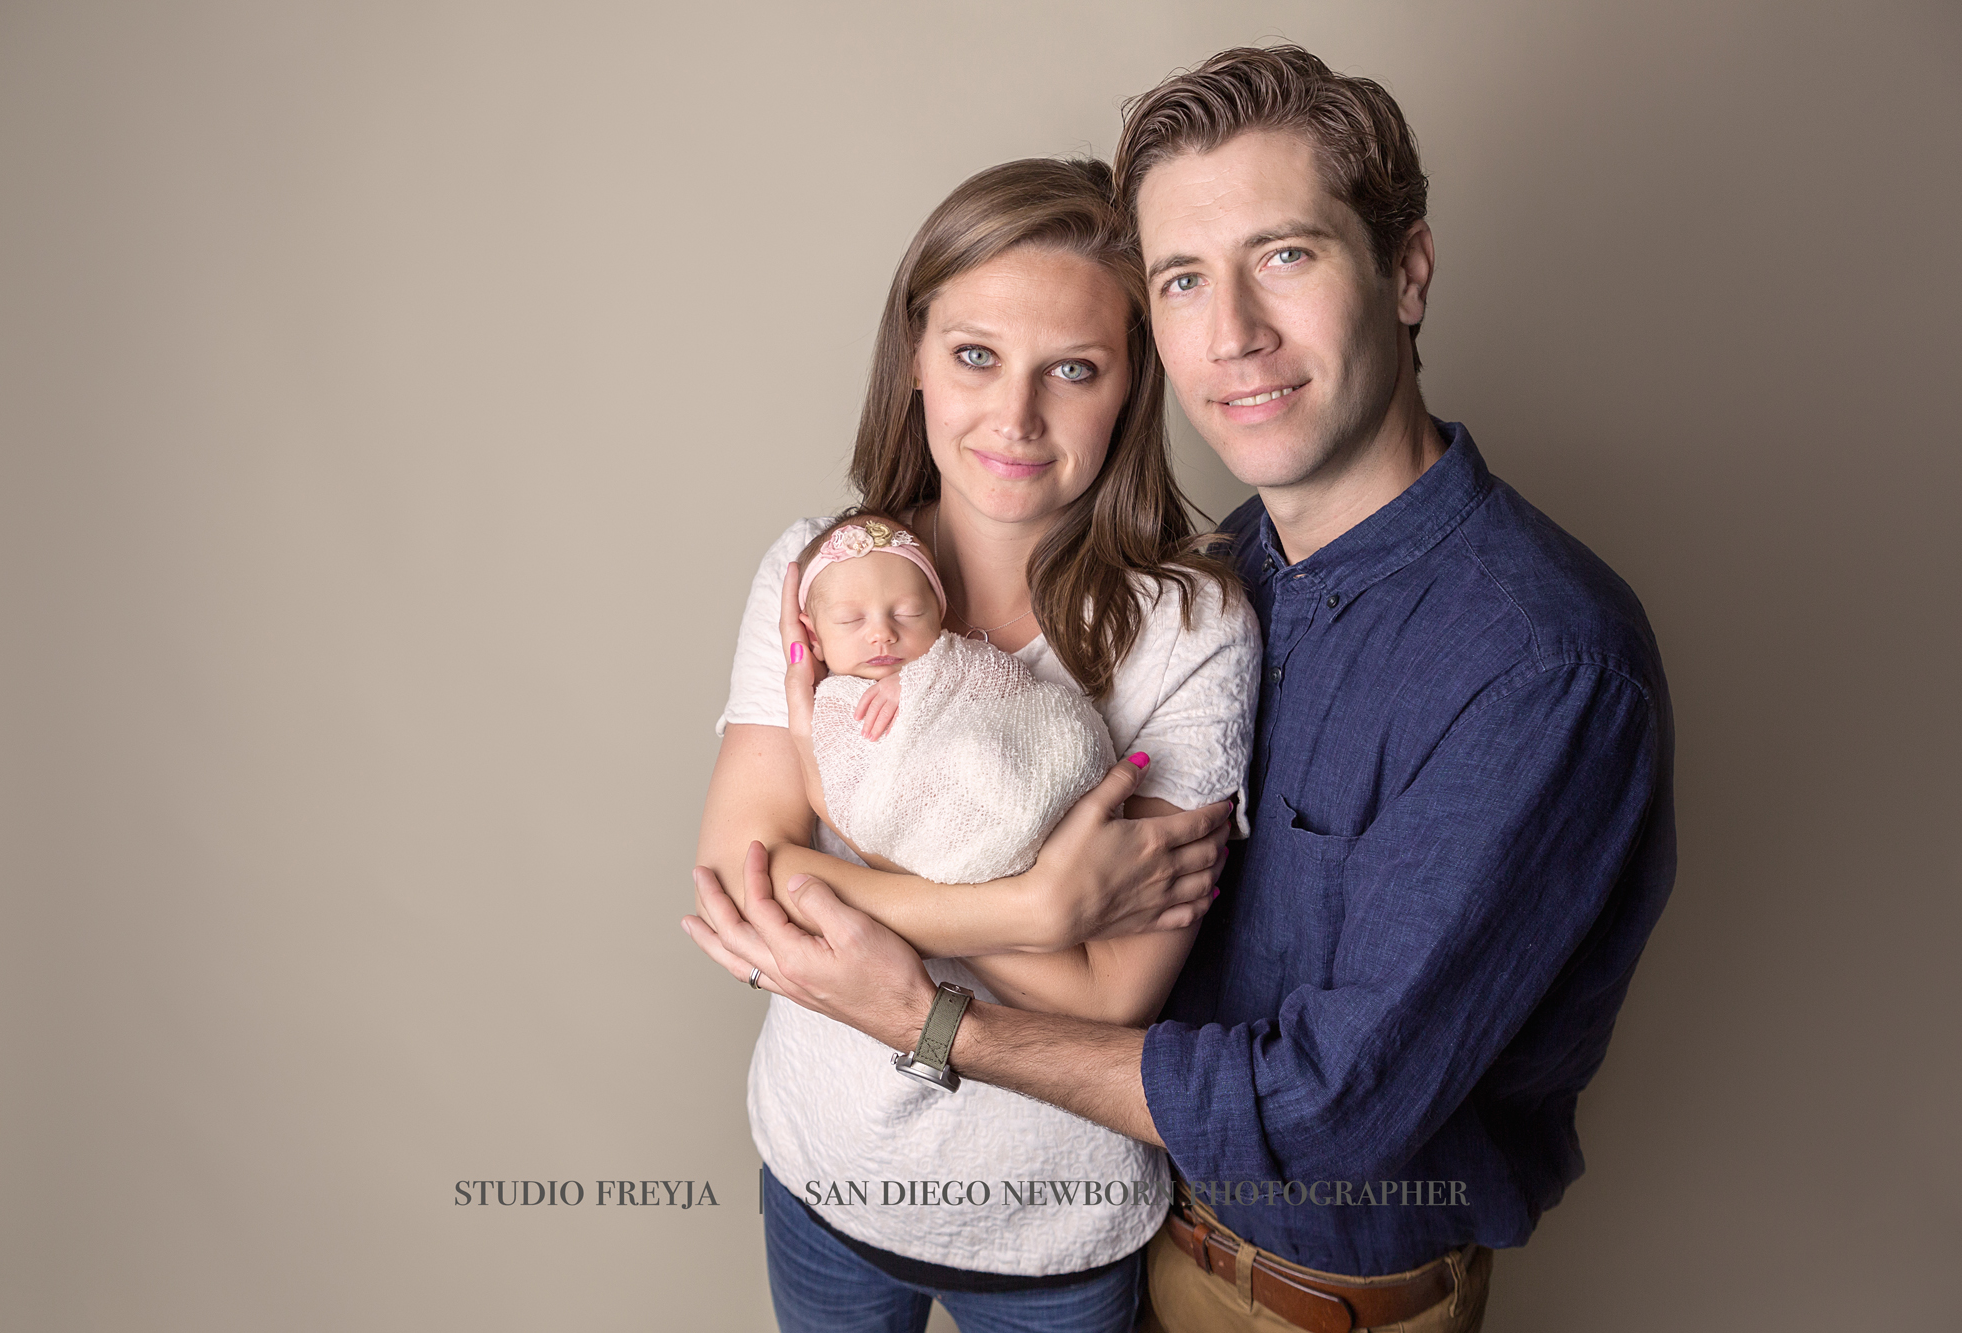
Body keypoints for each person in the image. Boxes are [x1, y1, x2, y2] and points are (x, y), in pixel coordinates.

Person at [686, 45, 1676, 1333]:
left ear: (1408, 271)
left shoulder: (1536, 662)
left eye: (1287, 256)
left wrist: (924, 1010)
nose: (1234, 335)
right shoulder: (1247, 568)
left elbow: (1326, 1107)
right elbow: (748, 884)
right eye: (1184, 279)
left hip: (1307, 1294)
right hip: (1146, 1231)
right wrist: (1039, 906)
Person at [684, 157, 1260, 1331]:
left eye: (1074, 371)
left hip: (1055, 1222)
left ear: (1132, 386)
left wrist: (847, 892)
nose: (1014, 416)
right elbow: (746, 884)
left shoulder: (1193, 633)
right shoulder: (821, 573)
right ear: (914, 358)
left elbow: (1108, 1005)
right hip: (819, 1173)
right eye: (975, 356)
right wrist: (1030, 912)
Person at [793, 513, 1118, 887]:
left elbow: (1008, 681)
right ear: (814, 636)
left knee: (991, 748)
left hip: (1011, 777)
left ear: (938, 613)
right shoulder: (830, 702)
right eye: (852, 620)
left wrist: (919, 681)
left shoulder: (951, 659)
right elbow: (849, 799)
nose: (882, 633)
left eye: (907, 613)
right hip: (921, 837)